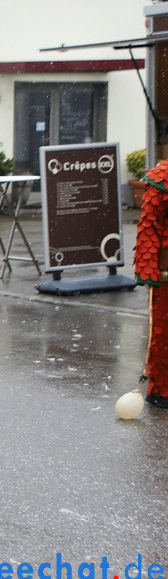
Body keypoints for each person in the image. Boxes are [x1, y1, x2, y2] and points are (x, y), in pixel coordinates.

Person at [133, 158, 168, 410]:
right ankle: (161, 388)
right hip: (167, 274)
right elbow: (149, 227)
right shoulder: (162, 177)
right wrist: (148, 267)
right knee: (164, 333)